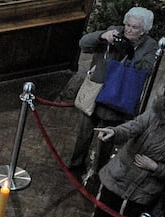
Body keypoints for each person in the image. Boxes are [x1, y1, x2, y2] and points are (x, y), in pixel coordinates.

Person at [67, 7, 158, 182]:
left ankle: (98, 172)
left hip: (118, 98)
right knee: (84, 132)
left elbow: (147, 69)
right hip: (97, 92)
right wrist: (102, 36)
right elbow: (84, 44)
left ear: (144, 30)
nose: (129, 30)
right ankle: (76, 163)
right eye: (128, 25)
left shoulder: (150, 45)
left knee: (106, 140)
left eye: (135, 27)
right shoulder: (113, 32)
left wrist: (131, 53)